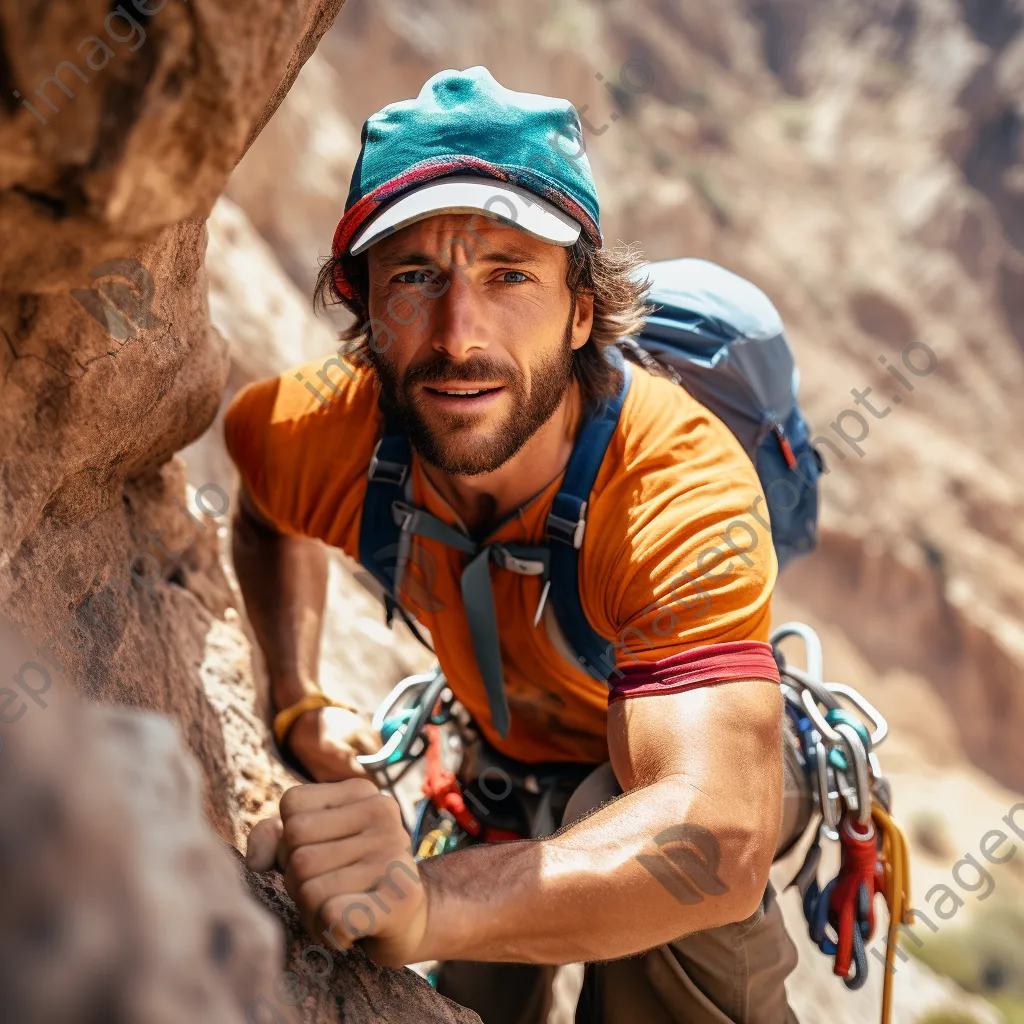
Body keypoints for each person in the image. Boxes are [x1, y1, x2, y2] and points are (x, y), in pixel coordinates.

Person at [231, 66, 802, 1023]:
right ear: (361, 304)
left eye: (510, 277)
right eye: (415, 277)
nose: (460, 336)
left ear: (583, 310)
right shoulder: (301, 435)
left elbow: (719, 835)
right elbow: (261, 515)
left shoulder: (674, 483)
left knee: (617, 840)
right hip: (499, 758)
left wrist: (428, 901)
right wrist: (294, 702)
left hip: (657, 762)